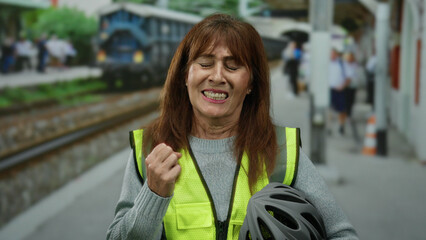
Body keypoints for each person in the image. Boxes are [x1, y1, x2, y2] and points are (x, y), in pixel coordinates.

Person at [107, 14, 358, 240]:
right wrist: (153, 195)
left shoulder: (282, 151)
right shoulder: (150, 150)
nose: (217, 77)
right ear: (185, 75)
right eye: (205, 63)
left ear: (250, 83)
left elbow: (342, 234)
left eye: (232, 66)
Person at [329, 47, 350, 135]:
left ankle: (341, 125)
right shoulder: (326, 64)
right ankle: (329, 127)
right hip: (330, 89)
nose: (332, 56)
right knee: (329, 109)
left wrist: (343, 86)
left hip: (340, 89)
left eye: (333, 54)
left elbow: (349, 77)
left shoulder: (342, 64)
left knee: (342, 110)